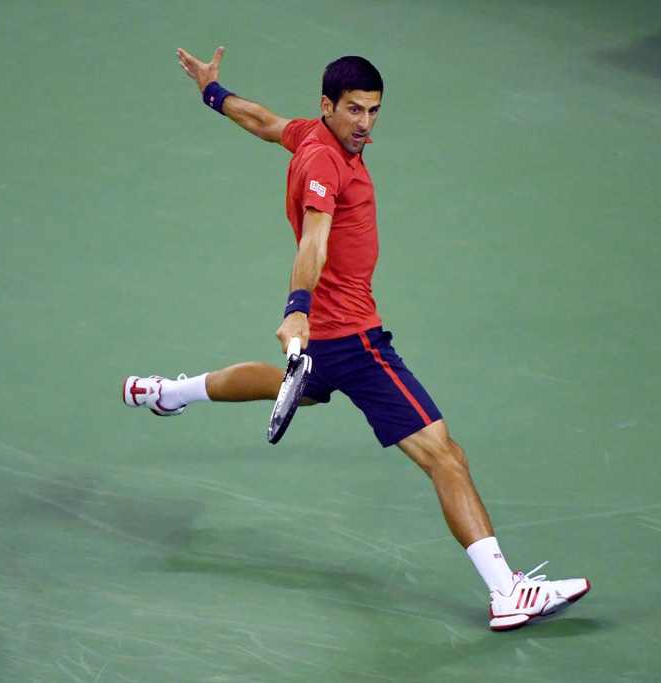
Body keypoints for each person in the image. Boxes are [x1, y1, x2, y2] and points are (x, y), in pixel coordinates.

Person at [121, 46, 589, 631]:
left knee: (300, 388)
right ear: (328, 105)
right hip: (354, 340)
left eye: (373, 110)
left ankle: (168, 393)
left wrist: (212, 92)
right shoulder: (325, 165)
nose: (365, 123)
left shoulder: (309, 135)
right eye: (354, 110)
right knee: (445, 456)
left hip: (325, 339)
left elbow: (262, 121)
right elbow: (313, 240)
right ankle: (507, 592)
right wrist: (297, 308)